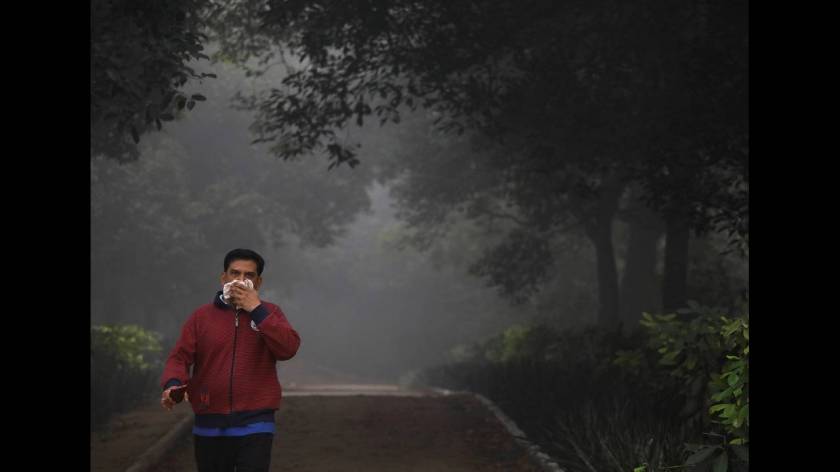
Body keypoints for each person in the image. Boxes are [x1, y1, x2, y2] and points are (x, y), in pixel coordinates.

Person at [160, 248, 301, 472]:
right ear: (223, 277)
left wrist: (256, 309)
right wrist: (172, 384)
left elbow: (288, 348)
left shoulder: (270, 313)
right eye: (235, 273)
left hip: (257, 423)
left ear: (259, 282)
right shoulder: (201, 317)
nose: (241, 280)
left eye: (249, 276)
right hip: (209, 422)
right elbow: (179, 357)